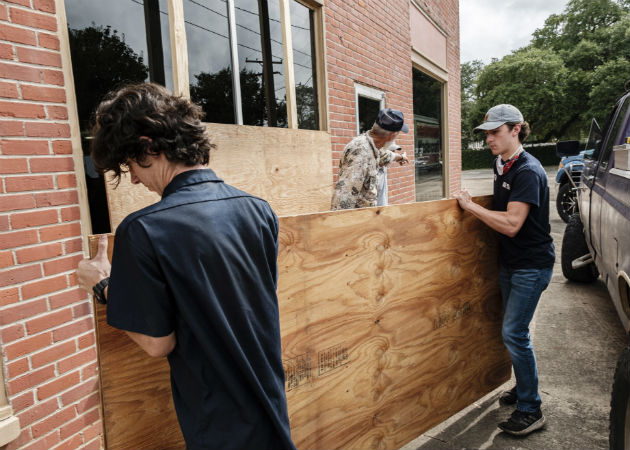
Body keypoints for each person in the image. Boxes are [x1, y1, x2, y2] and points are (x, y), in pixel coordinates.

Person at [76, 83, 296, 450]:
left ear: (148, 147)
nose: (131, 177)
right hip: (270, 400)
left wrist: (103, 285)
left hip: (219, 423)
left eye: (129, 163)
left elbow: (157, 343)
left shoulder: (143, 230)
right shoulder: (258, 209)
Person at [453, 104, 555, 437]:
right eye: (487, 134)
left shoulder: (527, 170)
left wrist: (469, 208)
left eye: (496, 133)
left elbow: (512, 224)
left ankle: (531, 408)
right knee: (511, 331)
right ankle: (523, 389)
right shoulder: (502, 163)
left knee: (514, 333)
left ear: (516, 129)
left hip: (531, 265)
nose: (489, 141)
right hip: (511, 263)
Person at [331, 108, 409, 210]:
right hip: (357, 222)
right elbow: (342, 201)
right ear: (392, 136)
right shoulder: (360, 154)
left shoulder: (374, 147)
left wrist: (401, 157)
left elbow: (387, 156)